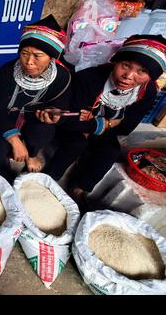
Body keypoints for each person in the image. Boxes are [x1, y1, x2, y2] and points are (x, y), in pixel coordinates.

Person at [44, 34, 164, 210]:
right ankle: (48, 178)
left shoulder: (148, 92)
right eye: (125, 65)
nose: (129, 76)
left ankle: (79, 188)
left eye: (142, 72)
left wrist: (96, 124)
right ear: (115, 62)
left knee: (110, 151)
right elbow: (68, 119)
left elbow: (126, 128)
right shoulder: (89, 79)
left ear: (150, 77)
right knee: (76, 143)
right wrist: (109, 123)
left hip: (101, 130)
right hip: (74, 129)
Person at [0, 15, 71, 182]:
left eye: (37, 55)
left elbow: (61, 108)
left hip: (34, 119)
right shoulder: (7, 71)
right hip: (8, 118)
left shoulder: (62, 77)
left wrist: (54, 116)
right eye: (24, 53)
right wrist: (14, 139)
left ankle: (32, 154)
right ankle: (9, 156)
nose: (28, 61)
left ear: (51, 57)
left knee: (42, 131)